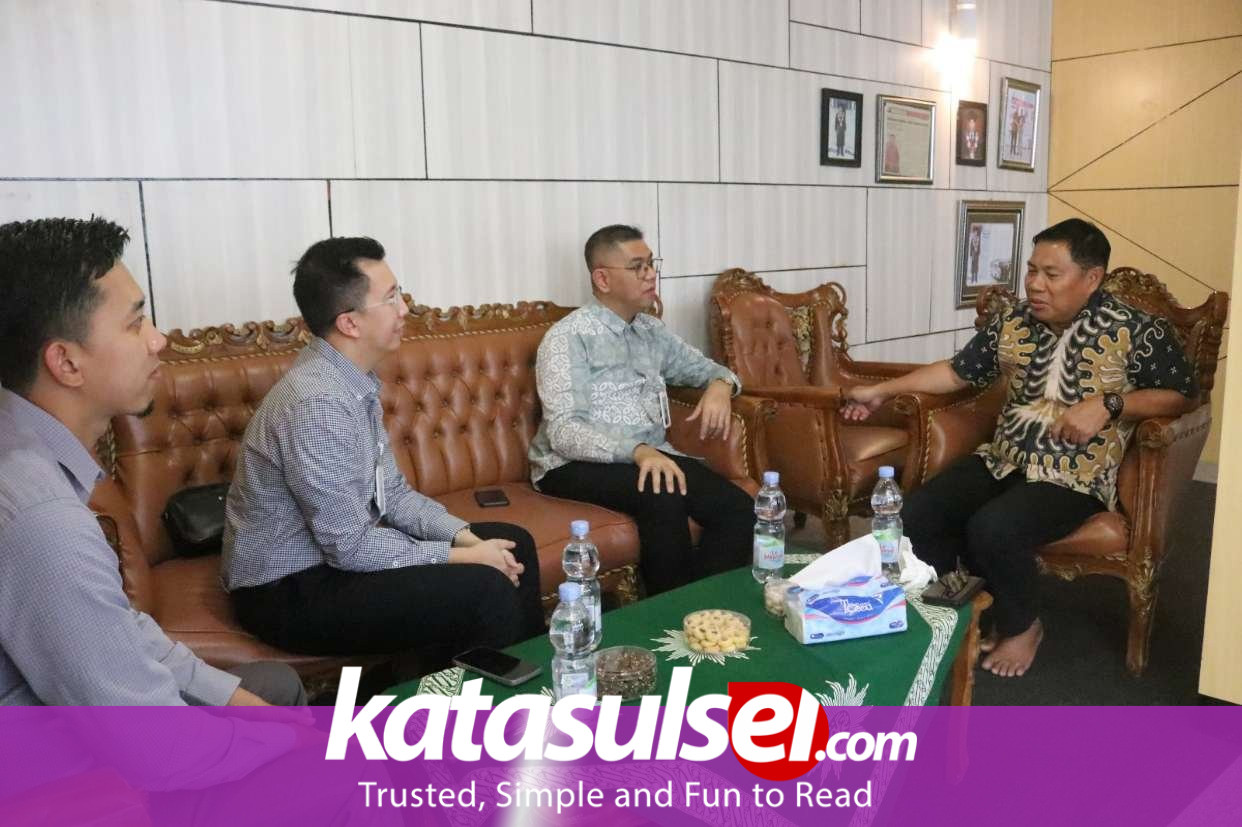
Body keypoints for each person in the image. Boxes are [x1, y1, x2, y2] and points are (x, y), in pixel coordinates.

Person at [842, 219, 1197, 678]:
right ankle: (966, 608)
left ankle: (1023, 625)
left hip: (1075, 474)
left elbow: (1180, 395)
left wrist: (1110, 404)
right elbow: (957, 371)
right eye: (1031, 270)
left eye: (1051, 274)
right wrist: (880, 391)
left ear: (1091, 278)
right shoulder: (1013, 321)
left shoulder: (1139, 330)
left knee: (995, 528)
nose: (1035, 284)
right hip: (1002, 458)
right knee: (919, 513)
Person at [0, 216, 304, 708]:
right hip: (64, 750)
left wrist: (232, 699)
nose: (158, 340)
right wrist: (287, 741)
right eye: (135, 322)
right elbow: (150, 737)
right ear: (67, 363)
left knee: (271, 687)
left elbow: (114, 626)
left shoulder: (22, 437)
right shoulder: (43, 520)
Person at [223, 237, 543, 665]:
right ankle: (477, 701)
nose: (405, 309)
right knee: (485, 589)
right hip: (289, 588)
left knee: (512, 544)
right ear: (350, 323)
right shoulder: (317, 403)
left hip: (335, 561)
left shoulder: (351, 380)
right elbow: (350, 546)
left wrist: (467, 538)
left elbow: (392, 494)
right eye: (391, 298)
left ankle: (527, 681)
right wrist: (464, 557)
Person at [529, 224, 754, 596]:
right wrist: (637, 451)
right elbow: (563, 432)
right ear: (602, 279)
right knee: (661, 493)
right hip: (570, 464)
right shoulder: (568, 337)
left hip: (649, 456)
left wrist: (721, 386)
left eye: (651, 264)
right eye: (638, 267)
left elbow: (707, 369)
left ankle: (704, 608)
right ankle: (671, 612)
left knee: (737, 507)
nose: (651, 275)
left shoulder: (651, 331)